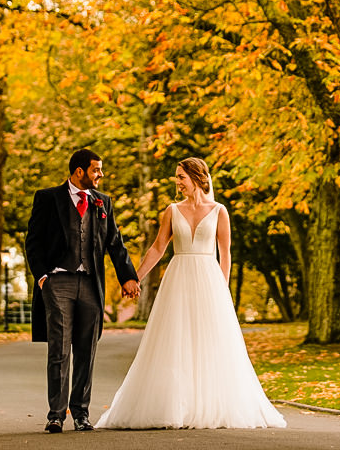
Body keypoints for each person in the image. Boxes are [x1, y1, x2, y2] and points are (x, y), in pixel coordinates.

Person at [95, 157, 286, 430]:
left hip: (209, 281)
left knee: (210, 343)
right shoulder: (172, 211)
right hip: (179, 278)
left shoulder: (219, 211)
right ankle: (174, 405)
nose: (178, 182)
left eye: (181, 177)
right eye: (177, 177)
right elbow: (158, 247)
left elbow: (225, 254)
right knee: (175, 340)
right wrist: (133, 278)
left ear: (197, 177)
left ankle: (208, 404)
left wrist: (222, 288)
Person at [25, 148, 141, 433]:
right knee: (59, 350)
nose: (101, 175)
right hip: (58, 282)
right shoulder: (48, 198)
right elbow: (33, 241)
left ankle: (81, 414)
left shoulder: (103, 203)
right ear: (80, 171)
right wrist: (42, 277)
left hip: (91, 283)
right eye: (96, 170)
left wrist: (128, 277)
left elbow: (115, 242)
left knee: (86, 350)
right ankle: (55, 414)